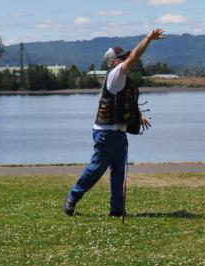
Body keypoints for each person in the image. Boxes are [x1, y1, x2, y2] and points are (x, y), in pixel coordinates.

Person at [64, 28, 164, 217]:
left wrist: (137, 117)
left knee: (119, 173)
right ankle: (72, 197)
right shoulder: (116, 73)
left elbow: (121, 104)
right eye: (121, 57)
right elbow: (134, 57)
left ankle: (117, 209)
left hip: (117, 133)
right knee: (95, 169)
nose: (126, 59)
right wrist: (149, 38)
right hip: (106, 133)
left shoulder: (120, 77)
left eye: (124, 57)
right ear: (112, 61)